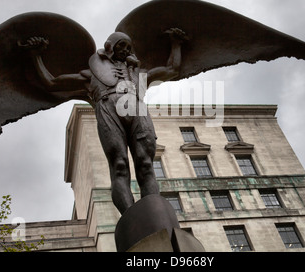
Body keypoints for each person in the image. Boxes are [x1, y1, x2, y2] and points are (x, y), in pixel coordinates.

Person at [23, 28, 187, 214]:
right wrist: (36, 56)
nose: (125, 50)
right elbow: (52, 83)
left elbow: (172, 69)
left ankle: (154, 215)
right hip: (108, 109)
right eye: (121, 46)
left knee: (145, 163)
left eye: (128, 47)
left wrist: (176, 43)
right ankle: (131, 217)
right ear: (109, 48)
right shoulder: (92, 74)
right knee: (119, 164)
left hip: (137, 109)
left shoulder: (139, 73)